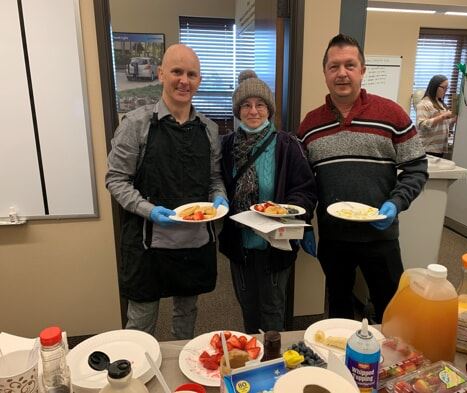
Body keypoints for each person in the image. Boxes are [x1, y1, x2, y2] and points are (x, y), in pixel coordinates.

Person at [297, 34, 428, 323]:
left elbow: (417, 167)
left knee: (391, 312)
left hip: (380, 236)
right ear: (325, 73)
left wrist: (396, 202)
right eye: (334, 67)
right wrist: (304, 222)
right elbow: (303, 184)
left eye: (350, 65)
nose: (342, 73)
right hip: (334, 238)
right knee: (340, 311)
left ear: (362, 70)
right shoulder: (309, 125)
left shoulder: (391, 114)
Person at [105, 44, 228, 339]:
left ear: (199, 80)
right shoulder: (136, 125)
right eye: (176, 72)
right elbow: (116, 180)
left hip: (194, 242)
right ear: (161, 74)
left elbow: (213, 178)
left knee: (187, 316)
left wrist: (219, 197)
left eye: (191, 74)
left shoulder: (209, 129)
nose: (184, 80)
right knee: (140, 325)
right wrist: (150, 210)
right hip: (148, 244)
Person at [219, 70, 317, 333]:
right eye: (246, 105)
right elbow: (216, 184)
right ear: (238, 110)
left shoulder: (287, 144)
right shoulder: (226, 146)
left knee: (273, 309)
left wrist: (285, 210)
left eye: (260, 104)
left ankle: (275, 364)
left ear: (269, 109)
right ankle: (252, 360)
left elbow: (306, 190)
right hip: (239, 244)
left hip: (276, 243)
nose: (253, 111)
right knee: (248, 308)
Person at [416, 75, 457, 157]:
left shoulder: (441, 104)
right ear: (434, 87)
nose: (445, 91)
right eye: (443, 88)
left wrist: (453, 118)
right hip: (427, 149)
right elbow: (422, 125)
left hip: (439, 149)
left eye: (447, 88)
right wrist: (443, 116)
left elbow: (443, 124)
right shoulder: (424, 104)